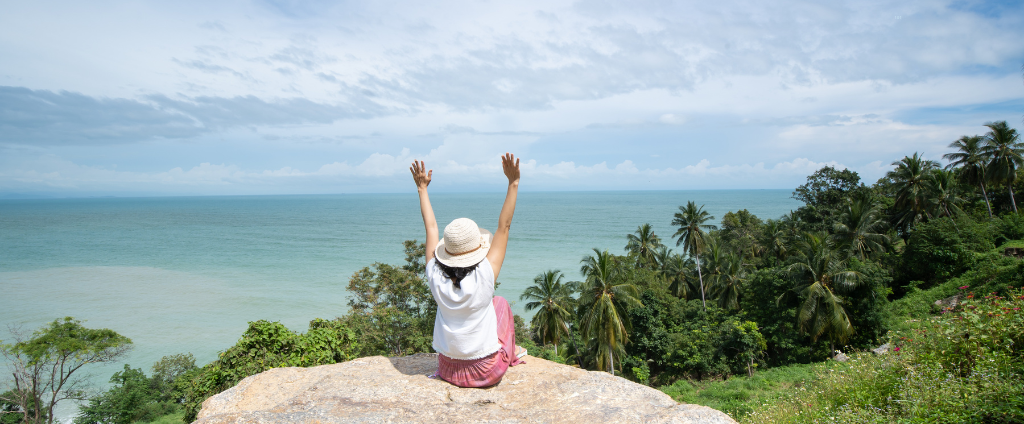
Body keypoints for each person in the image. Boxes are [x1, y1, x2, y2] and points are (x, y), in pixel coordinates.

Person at [410, 153, 526, 388]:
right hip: (486, 372)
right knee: (500, 303)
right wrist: (513, 182)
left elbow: (430, 227)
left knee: (493, 305)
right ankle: (512, 353)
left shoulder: (434, 273)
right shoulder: (485, 273)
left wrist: (422, 188)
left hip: (448, 370)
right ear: (478, 249)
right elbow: (504, 226)